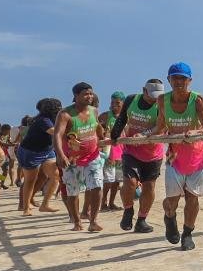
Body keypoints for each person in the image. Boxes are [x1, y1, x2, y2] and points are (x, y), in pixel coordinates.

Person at [154, 62, 203, 251]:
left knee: (192, 198)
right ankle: (169, 217)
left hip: (199, 157)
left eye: (183, 78)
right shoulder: (162, 100)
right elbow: (160, 127)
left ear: (190, 80)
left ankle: (187, 234)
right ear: (169, 80)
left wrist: (197, 132)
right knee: (171, 201)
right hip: (175, 157)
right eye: (175, 77)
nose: (179, 81)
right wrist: (147, 134)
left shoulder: (198, 100)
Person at [110, 80, 167, 234]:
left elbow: (161, 126)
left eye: (158, 96)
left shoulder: (162, 104)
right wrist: (114, 134)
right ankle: (128, 211)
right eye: (152, 96)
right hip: (131, 151)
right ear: (144, 90)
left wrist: (144, 135)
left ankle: (142, 220)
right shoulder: (131, 100)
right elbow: (122, 118)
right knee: (130, 183)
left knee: (149, 187)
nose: (155, 99)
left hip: (153, 153)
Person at [54, 83, 108, 232]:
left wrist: (102, 137)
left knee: (97, 186)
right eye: (85, 94)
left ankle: (93, 221)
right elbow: (57, 135)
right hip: (72, 159)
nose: (89, 96)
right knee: (73, 191)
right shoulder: (65, 115)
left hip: (93, 156)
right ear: (76, 96)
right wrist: (61, 155)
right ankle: (77, 221)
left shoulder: (94, 111)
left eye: (91, 93)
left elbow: (96, 126)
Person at [17, 99, 63, 215]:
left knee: (55, 176)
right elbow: (53, 131)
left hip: (47, 150)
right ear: (52, 109)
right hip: (31, 152)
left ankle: (45, 204)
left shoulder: (54, 119)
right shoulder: (43, 120)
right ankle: (26, 207)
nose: (60, 110)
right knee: (30, 180)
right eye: (58, 108)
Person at [101, 93, 127, 210]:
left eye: (117, 102)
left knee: (117, 181)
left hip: (122, 153)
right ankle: (103, 202)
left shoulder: (127, 116)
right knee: (108, 181)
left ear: (123, 103)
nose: (114, 105)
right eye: (112, 102)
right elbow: (97, 128)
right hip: (109, 153)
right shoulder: (106, 116)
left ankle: (111, 203)